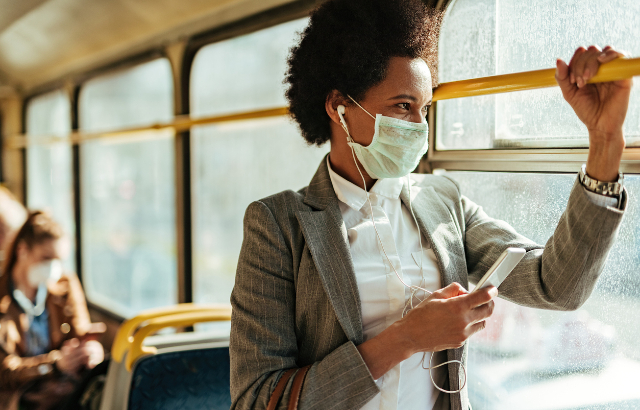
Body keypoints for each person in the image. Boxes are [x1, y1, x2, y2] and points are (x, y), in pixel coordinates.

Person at [229, 1, 630, 409]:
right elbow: (257, 400)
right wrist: (406, 338)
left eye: (425, 109)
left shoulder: (442, 201)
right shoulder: (278, 225)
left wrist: (604, 143)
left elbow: (556, 286)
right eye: (402, 106)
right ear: (339, 106)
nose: (419, 127)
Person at [0, 211, 105, 410]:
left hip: (63, 385)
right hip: (19, 394)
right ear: (22, 251)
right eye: (46, 258)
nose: (53, 268)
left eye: (59, 260)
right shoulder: (3, 300)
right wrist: (53, 365)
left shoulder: (65, 285)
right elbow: (4, 372)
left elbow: (79, 331)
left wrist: (88, 352)